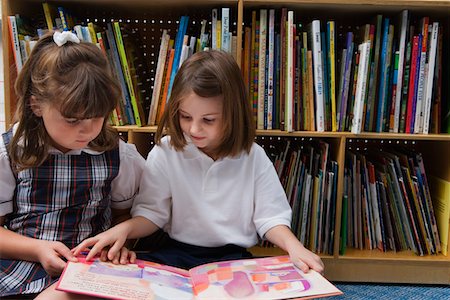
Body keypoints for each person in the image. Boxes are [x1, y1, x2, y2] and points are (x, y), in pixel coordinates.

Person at [74, 50, 324, 274]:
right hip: (175, 252)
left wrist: (295, 247)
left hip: (232, 258)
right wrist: (124, 230)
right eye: (185, 116)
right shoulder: (165, 152)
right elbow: (152, 213)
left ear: (233, 115)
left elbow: (270, 217)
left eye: (209, 120)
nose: (194, 129)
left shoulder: (253, 156)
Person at [0, 31, 145, 299]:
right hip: (22, 262)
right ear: (37, 106)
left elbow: (123, 217)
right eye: (72, 119)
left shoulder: (120, 156)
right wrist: (37, 249)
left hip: (84, 269)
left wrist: (117, 244)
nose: (87, 130)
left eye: (97, 116)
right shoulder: (10, 152)